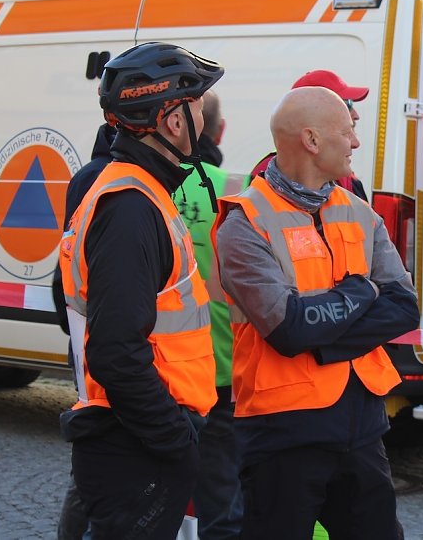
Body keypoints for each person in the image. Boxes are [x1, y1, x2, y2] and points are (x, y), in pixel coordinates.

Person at [213, 86, 419, 539]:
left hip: (361, 425)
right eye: (347, 132)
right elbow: (286, 328)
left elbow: (404, 308)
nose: (356, 142)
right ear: (311, 140)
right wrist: (361, 293)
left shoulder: (359, 212)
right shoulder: (245, 221)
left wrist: (322, 335)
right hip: (281, 432)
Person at [58, 42, 223, 538]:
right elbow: (115, 351)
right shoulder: (131, 206)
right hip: (135, 443)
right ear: (173, 120)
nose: (203, 116)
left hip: (137, 435)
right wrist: (174, 440)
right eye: (195, 103)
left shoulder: (142, 191)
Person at [177, 89, 246, 540]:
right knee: (222, 497)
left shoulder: (144, 185)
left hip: (163, 373)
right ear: (217, 131)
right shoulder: (232, 190)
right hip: (222, 368)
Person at [53, 123, 116, 540]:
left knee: (91, 454)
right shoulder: (106, 179)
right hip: (98, 326)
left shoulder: (84, 176)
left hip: (83, 322)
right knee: (94, 455)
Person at [249, 69, 369, 202]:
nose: (355, 113)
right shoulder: (268, 177)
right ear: (311, 139)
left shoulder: (343, 175)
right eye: (346, 103)